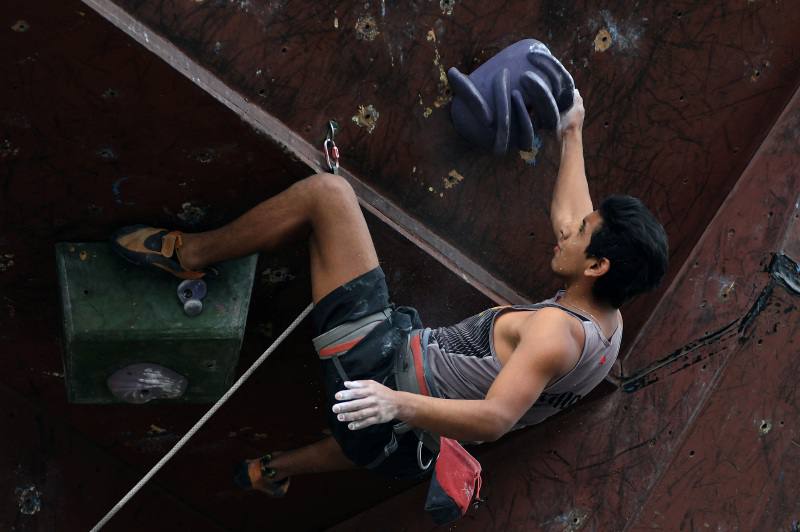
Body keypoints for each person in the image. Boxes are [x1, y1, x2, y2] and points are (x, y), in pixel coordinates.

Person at [111, 90, 668, 496]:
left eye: (581, 237)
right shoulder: (608, 326)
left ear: (596, 264)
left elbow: (497, 418)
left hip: (380, 373)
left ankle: (189, 256)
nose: (566, 231)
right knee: (370, 434)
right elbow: (573, 214)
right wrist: (571, 130)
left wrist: (393, 399)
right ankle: (270, 472)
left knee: (328, 195)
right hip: (406, 448)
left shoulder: (553, 333)